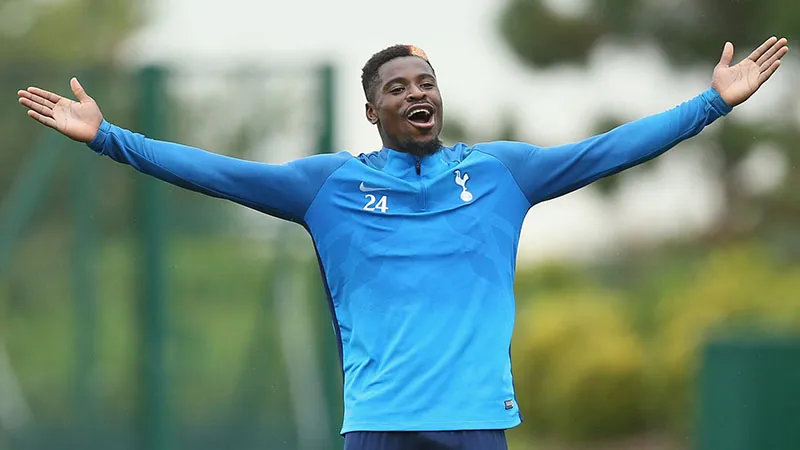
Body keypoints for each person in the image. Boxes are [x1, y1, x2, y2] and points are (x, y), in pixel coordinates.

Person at [17, 36, 788, 450]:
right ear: (372, 111)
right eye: (398, 87)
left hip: (476, 419)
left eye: (426, 81)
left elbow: (609, 149)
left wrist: (710, 105)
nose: (418, 92)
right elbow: (216, 171)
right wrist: (108, 138)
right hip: (379, 422)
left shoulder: (501, 174)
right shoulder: (326, 187)